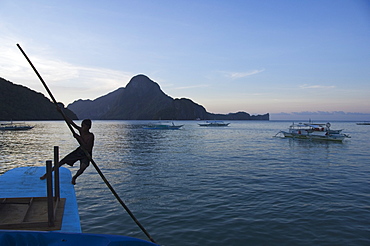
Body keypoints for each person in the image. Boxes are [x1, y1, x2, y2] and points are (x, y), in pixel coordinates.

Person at [40, 108, 94, 185]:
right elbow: (71, 123)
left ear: (88, 127)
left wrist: (78, 137)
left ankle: (74, 177)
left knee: (83, 167)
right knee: (62, 162)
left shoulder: (90, 136)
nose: (82, 127)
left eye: (84, 126)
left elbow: (87, 147)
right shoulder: (81, 130)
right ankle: (47, 174)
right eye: (82, 126)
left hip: (87, 154)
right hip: (79, 151)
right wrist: (62, 113)